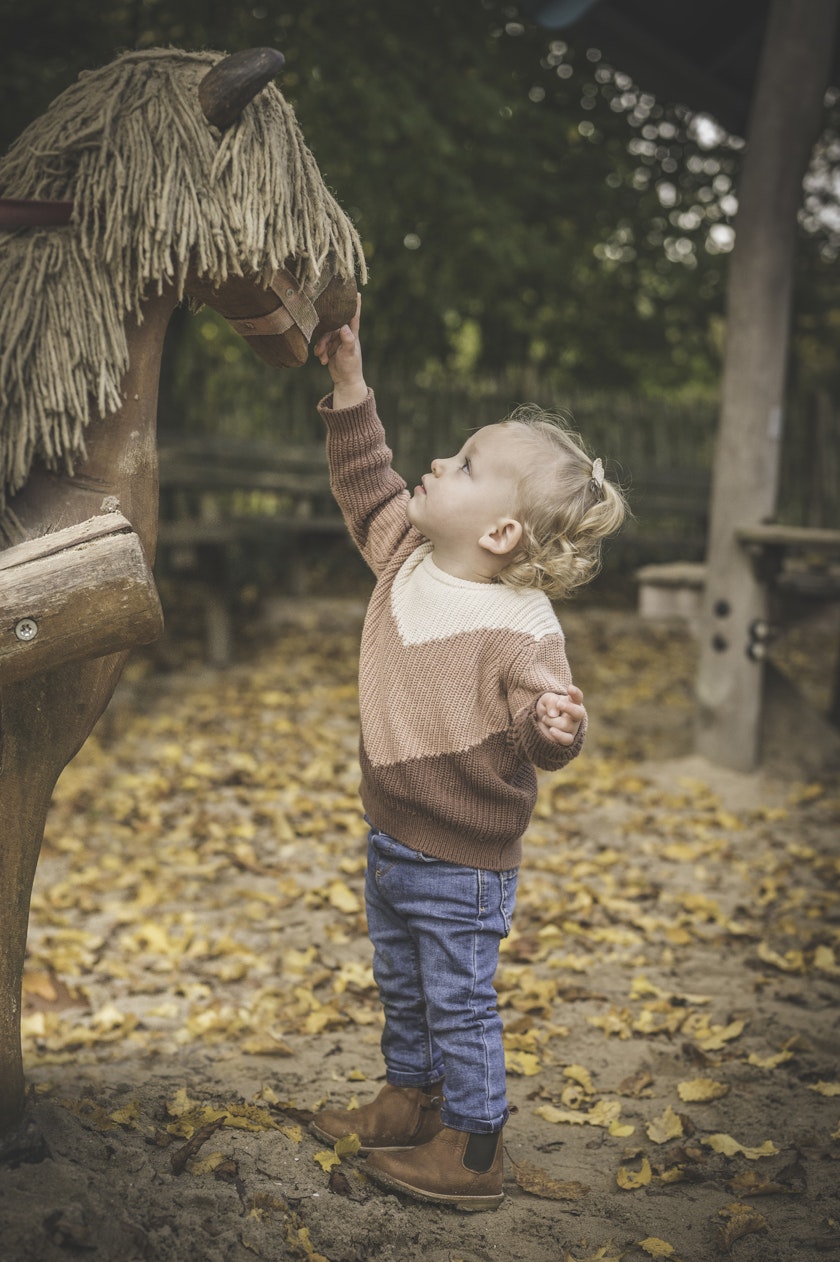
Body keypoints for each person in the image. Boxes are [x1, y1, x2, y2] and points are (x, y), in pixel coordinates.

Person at [308, 299, 627, 1210]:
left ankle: (475, 1148)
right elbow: (365, 480)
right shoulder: (404, 555)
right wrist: (350, 386)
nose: (440, 462)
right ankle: (409, 1101)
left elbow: (540, 727)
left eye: (466, 464)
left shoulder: (522, 626)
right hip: (391, 835)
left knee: (458, 999)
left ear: (498, 534)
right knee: (403, 987)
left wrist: (554, 730)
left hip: (463, 863)